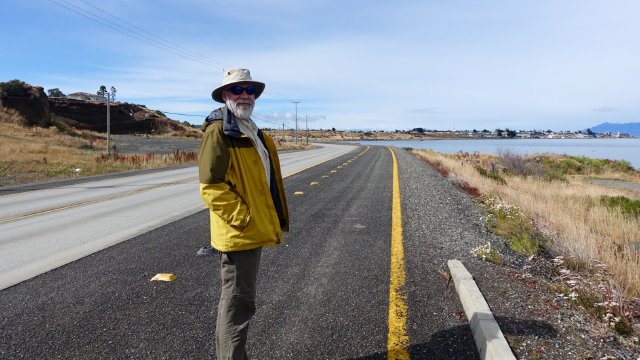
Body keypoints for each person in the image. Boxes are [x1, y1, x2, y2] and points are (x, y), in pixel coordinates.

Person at [198, 68, 289, 360]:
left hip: (250, 232)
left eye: (250, 90)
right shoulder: (220, 132)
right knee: (239, 305)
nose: (245, 95)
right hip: (240, 234)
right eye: (237, 90)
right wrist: (244, 219)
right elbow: (211, 187)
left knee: (236, 303)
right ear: (225, 95)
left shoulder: (252, 131)